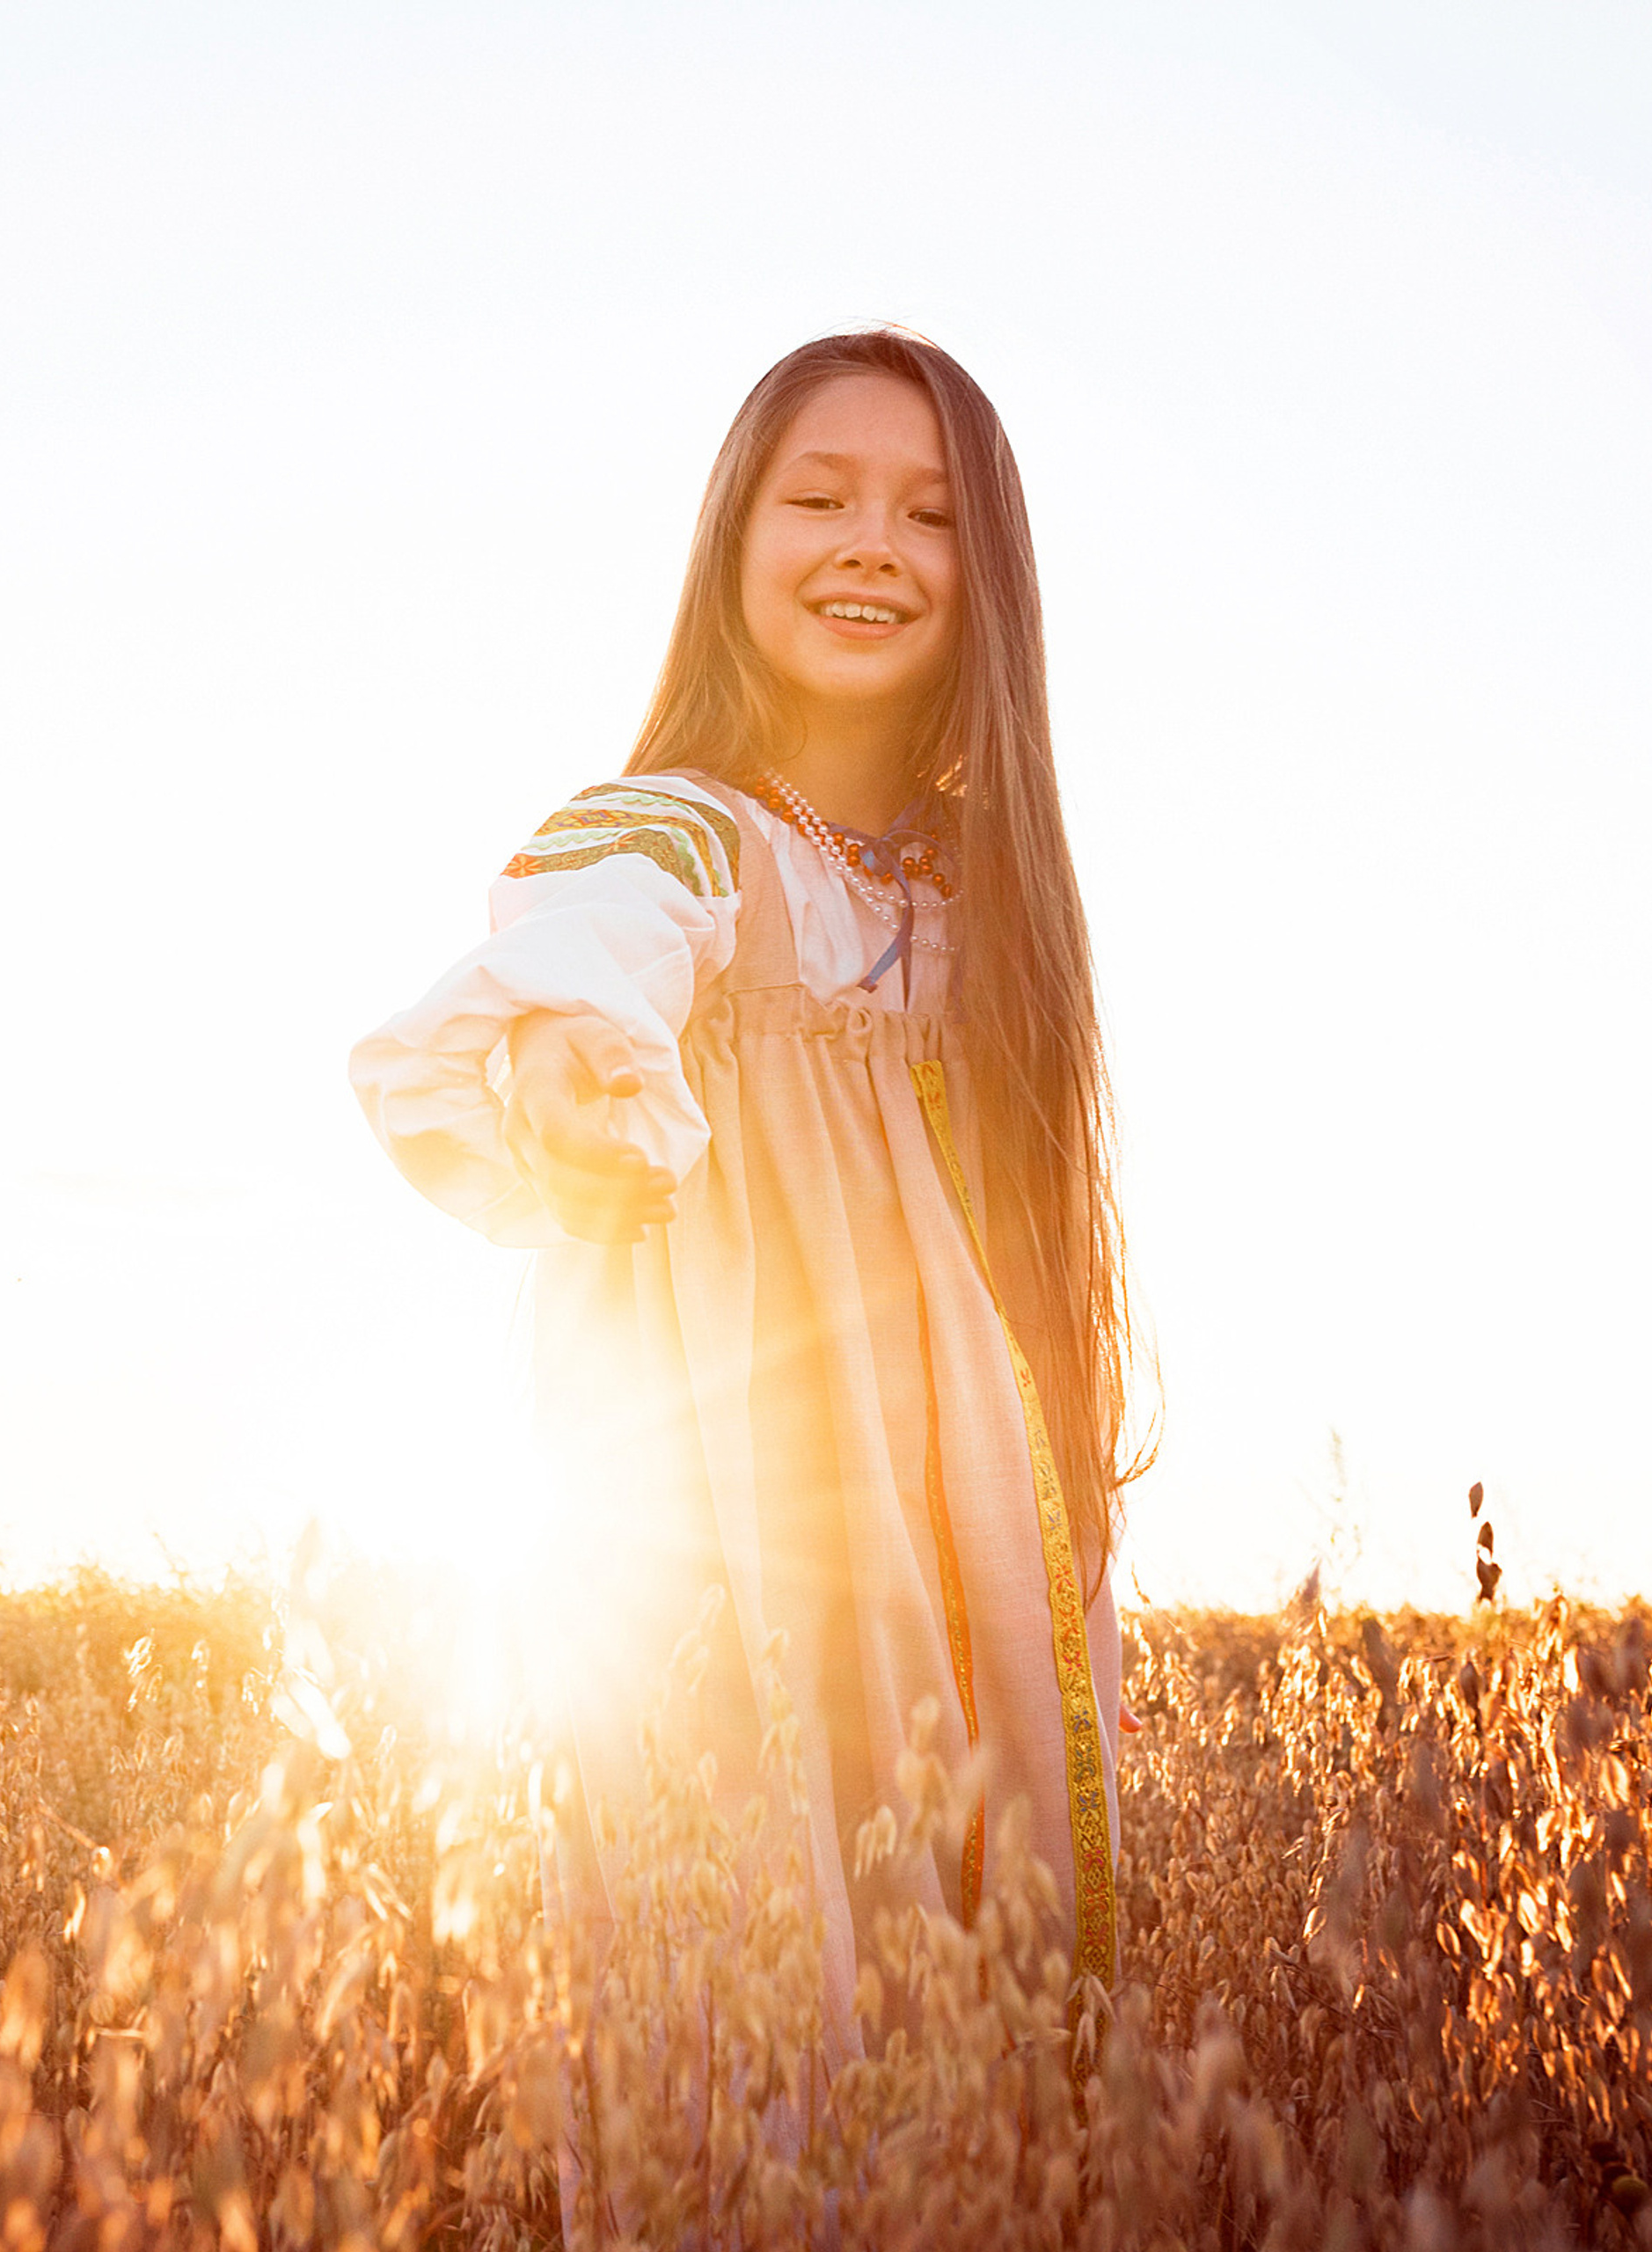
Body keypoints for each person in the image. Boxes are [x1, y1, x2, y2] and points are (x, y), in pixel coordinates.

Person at [350, 329, 1143, 2050]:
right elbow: (588, 958)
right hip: (734, 1519)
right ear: (731, 543)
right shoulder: (684, 836)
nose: (871, 539)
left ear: (988, 579)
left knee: (988, 1988)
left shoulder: (987, 908)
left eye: (930, 514)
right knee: (760, 1978)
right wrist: (569, 1065)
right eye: (819, 496)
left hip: (970, 1538)